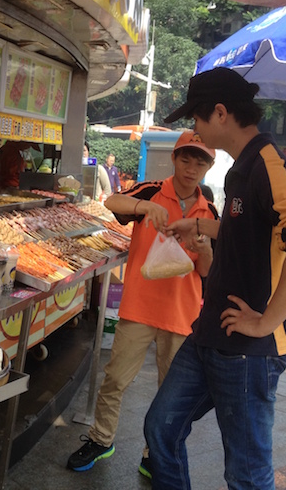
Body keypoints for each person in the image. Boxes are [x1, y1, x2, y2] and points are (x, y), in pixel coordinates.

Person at [144, 67, 286, 489]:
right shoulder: (240, 168)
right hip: (211, 333)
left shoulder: (270, 165)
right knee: (161, 429)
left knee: (245, 472)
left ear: (221, 113)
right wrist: (203, 227)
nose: (195, 129)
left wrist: (265, 322)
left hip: (249, 351)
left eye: (197, 119)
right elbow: (255, 233)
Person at [66, 131, 217, 478]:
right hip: (140, 307)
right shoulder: (151, 189)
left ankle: (155, 454)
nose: (191, 168)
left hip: (183, 313)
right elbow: (111, 203)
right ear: (175, 159)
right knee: (116, 378)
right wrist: (144, 207)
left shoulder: (208, 211)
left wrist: (204, 248)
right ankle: (101, 439)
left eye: (200, 161)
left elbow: (207, 271)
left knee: (171, 393)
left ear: (208, 167)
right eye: (186, 159)